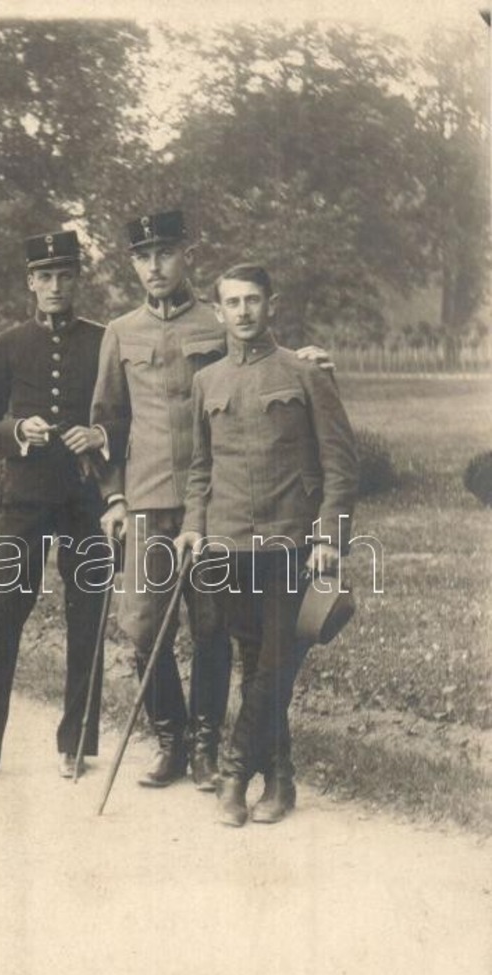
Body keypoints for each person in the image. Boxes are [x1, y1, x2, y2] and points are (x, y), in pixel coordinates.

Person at [92, 211, 333, 793]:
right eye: (144, 256)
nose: (155, 266)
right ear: (132, 264)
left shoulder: (220, 317)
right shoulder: (119, 332)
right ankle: (170, 738)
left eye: (166, 253)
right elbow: (107, 421)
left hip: (213, 507)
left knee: (211, 627)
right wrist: (115, 497)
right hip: (150, 501)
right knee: (144, 624)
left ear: (184, 257)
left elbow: (255, 374)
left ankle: (205, 744)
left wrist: (312, 363)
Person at [175, 263, 359, 826]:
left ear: (270, 304)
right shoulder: (208, 381)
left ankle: (234, 776)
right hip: (229, 543)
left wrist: (329, 537)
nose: (243, 312)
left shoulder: (304, 374)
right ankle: (280, 781)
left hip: (290, 540)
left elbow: (340, 464)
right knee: (257, 661)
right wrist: (192, 525)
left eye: (253, 300)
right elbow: (200, 470)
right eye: (232, 303)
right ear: (220, 309)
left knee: (275, 658)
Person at [0, 229, 115, 787]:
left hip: (86, 501)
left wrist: (99, 433)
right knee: (1, 617)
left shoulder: (103, 340)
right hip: (25, 503)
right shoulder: (8, 344)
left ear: (77, 281)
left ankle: (77, 746)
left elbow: (124, 412)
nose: (54, 286)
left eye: (64, 275)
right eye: (44, 276)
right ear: (30, 282)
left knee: (87, 616)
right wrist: (17, 429)